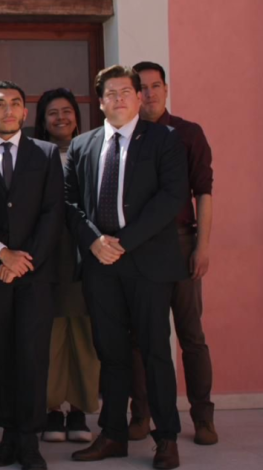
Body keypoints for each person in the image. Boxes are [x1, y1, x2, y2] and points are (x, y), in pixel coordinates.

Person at [66, 65, 187, 470]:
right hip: (100, 264)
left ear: (138, 98)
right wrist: (94, 241)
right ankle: (113, 434)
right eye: (110, 94)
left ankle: (166, 438)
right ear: (100, 102)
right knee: (111, 352)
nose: (118, 99)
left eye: (125, 92)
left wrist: (124, 242)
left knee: (155, 352)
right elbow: (70, 202)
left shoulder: (165, 139)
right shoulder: (82, 145)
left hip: (148, 262)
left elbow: (172, 197)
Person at [0, 81, 64, 470]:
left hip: (34, 276)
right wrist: (1, 254)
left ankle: (29, 440)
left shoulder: (46, 153)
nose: (8, 110)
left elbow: (53, 212)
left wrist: (24, 261)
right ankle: (8, 436)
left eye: (15, 103)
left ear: (26, 112)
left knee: (31, 357)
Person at [129, 61, 217, 446]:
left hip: (181, 244)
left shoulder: (187, 133)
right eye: (141, 87)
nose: (149, 94)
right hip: (139, 248)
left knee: (191, 335)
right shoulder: (127, 135)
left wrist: (202, 246)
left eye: (155, 86)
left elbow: (204, 192)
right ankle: (141, 414)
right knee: (141, 337)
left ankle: (203, 417)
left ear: (166, 89)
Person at [34, 88, 100, 444]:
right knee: (51, 336)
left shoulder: (93, 149)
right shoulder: (35, 154)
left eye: (67, 111)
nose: (61, 118)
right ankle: (52, 410)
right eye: (52, 113)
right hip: (48, 256)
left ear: (77, 115)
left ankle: (79, 410)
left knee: (85, 336)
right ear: (42, 121)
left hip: (87, 254)